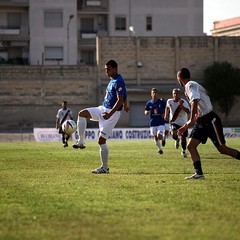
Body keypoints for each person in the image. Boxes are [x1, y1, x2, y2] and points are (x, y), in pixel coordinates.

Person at [177, 68, 240, 180]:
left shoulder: (190, 85)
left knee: (223, 149)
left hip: (210, 120)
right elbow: (197, 106)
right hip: (201, 121)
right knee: (190, 146)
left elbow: (195, 100)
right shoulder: (190, 86)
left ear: (179, 78)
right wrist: (187, 125)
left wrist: (190, 121)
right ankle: (199, 174)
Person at [72, 59, 128, 174]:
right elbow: (125, 95)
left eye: (108, 69)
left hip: (112, 114)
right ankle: (81, 142)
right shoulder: (112, 80)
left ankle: (105, 167)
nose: (106, 71)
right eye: (105, 69)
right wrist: (126, 106)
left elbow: (120, 100)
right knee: (82, 113)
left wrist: (110, 113)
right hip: (103, 109)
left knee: (101, 141)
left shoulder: (118, 81)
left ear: (115, 69)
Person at [164, 88, 190, 158]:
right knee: (173, 134)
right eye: (174, 93)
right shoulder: (169, 101)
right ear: (172, 94)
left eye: (177, 93)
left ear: (179, 94)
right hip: (174, 121)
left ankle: (183, 151)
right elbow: (167, 107)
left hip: (183, 123)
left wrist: (182, 106)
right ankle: (177, 139)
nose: (175, 95)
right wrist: (166, 115)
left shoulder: (183, 102)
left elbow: (188, 111)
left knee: (183, 138)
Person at [144, 88, 166, 154]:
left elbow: (167, 110)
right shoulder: (149, 103)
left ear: (157, 94)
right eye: (153, 93)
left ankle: (163, 138)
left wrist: (164, 114)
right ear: (151, 94)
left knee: (159, 136)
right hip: (153, 123)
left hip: (160, 122)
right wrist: (146, 112)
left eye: (155, 93)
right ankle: (160, 149)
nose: (154, 94)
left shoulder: (162, 102)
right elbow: (145, 110)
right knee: (155, 137)